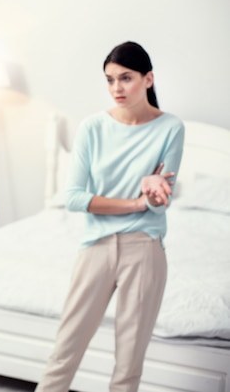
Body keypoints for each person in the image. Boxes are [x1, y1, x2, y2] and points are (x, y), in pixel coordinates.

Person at [35, 41, 185, 392]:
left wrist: (151, 191)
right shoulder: (92, 127)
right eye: (110, 79)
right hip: (96, 246)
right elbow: (73, 198)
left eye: (126, 78)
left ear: (148, 79)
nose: (116, 88)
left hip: (145, 250)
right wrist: (135, 203)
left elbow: (161, 203)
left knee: (128, 364)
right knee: (63, 353)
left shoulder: (171, 128)